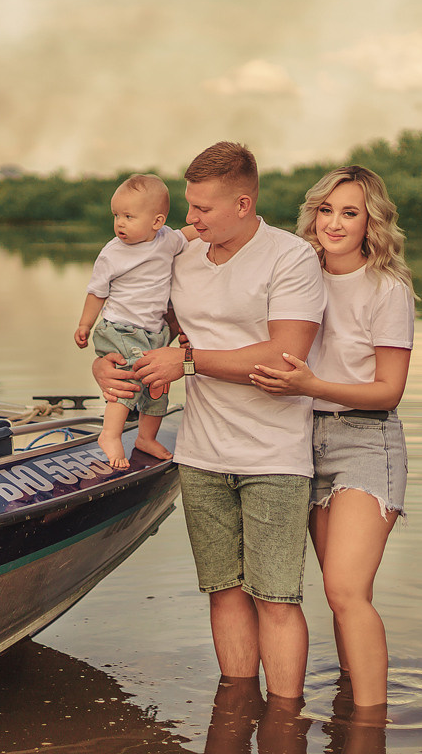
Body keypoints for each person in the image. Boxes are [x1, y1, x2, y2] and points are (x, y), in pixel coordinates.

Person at [95, 141, 326, 700]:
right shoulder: (181, 259)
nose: (189, 221)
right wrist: (107, 365)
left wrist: (189, 361)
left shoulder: (290, 257)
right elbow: (142, 326)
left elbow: (285, 354)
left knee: (276, 598)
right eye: (189, 208)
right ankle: (237, 708)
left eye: (202, 210)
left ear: (243, 204)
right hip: (199, 453)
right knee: (223, 592)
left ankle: (284, 722)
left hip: (274, 455)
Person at [250, 165, 415, 716]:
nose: (335, 222)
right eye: (326, 210)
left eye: (350, 212)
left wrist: (311, 385)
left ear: (372, 221)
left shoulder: (387, 289)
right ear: (312, 214)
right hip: (299, 440)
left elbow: (389, 391)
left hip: (366, 443)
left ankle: (370, 729)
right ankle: (349, 709)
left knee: (346, 591)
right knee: (336, 596)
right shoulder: (297, 273)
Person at [75, 173, 192, 469]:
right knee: (128, 376)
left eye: (129, 216)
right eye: (116, 215)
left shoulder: (167, 240)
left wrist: (214, 227)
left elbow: (192, 233)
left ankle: (146, 437)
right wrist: (85, 325)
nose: (120, 223)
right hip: (120, 328)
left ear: (157, 221)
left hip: (155, 332)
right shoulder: (112, 253)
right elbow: (96, 292)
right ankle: (110, 434)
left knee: (156, 384)